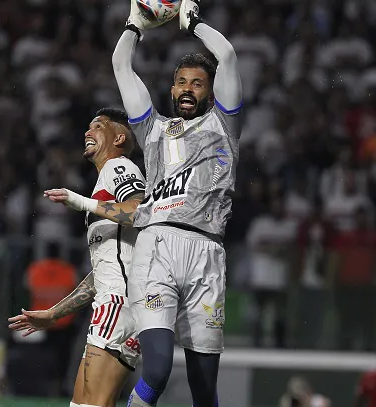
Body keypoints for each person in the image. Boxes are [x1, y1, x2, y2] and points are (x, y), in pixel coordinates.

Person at [112, 0, 243, 405]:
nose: (187, 88)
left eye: (197, 83)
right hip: (159, 246)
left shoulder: (224, 124)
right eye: (181, 81)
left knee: (204, 388)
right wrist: (135, 25)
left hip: (208, 253)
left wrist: (193, 22)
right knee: (157, 369)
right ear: (171, 88)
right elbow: (120, 66)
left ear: (210, 90)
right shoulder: (153, 128)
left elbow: (228, 55)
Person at [8, 108, 146, 407]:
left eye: (98, 126)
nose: (88, 132)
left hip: (119, 303)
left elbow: (139, 212)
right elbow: (103, 270)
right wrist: (54, 313)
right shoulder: (104, 183)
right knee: (81, 405)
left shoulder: (119, 168)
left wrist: (81, 202)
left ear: (119, 137)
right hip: (112, 302)